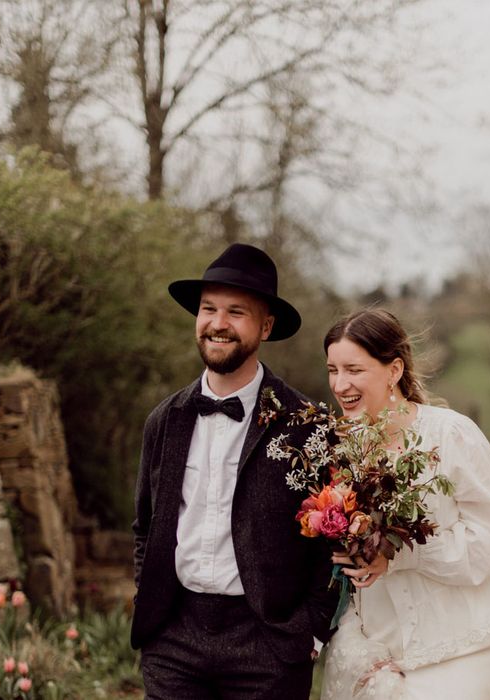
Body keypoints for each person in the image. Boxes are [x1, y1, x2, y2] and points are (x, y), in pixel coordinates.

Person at [131, 243, 338, 699]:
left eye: (236, 312)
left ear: (265, 326)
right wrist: (151, 611)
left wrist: (310, 629)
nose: (218, 323)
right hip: (174, 641)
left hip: (268, 644)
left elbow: (331, 541)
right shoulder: (164, 420)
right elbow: (146, 527)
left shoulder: (307, 425)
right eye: (209, 309)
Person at [320, 309, 490, 700]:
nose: (340, 384)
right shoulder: (337, 447)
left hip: (460, 643)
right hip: (372, 647)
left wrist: (398, 557)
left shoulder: (451, 434)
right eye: (332, 370)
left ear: (393, 370)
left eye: (354, 370)